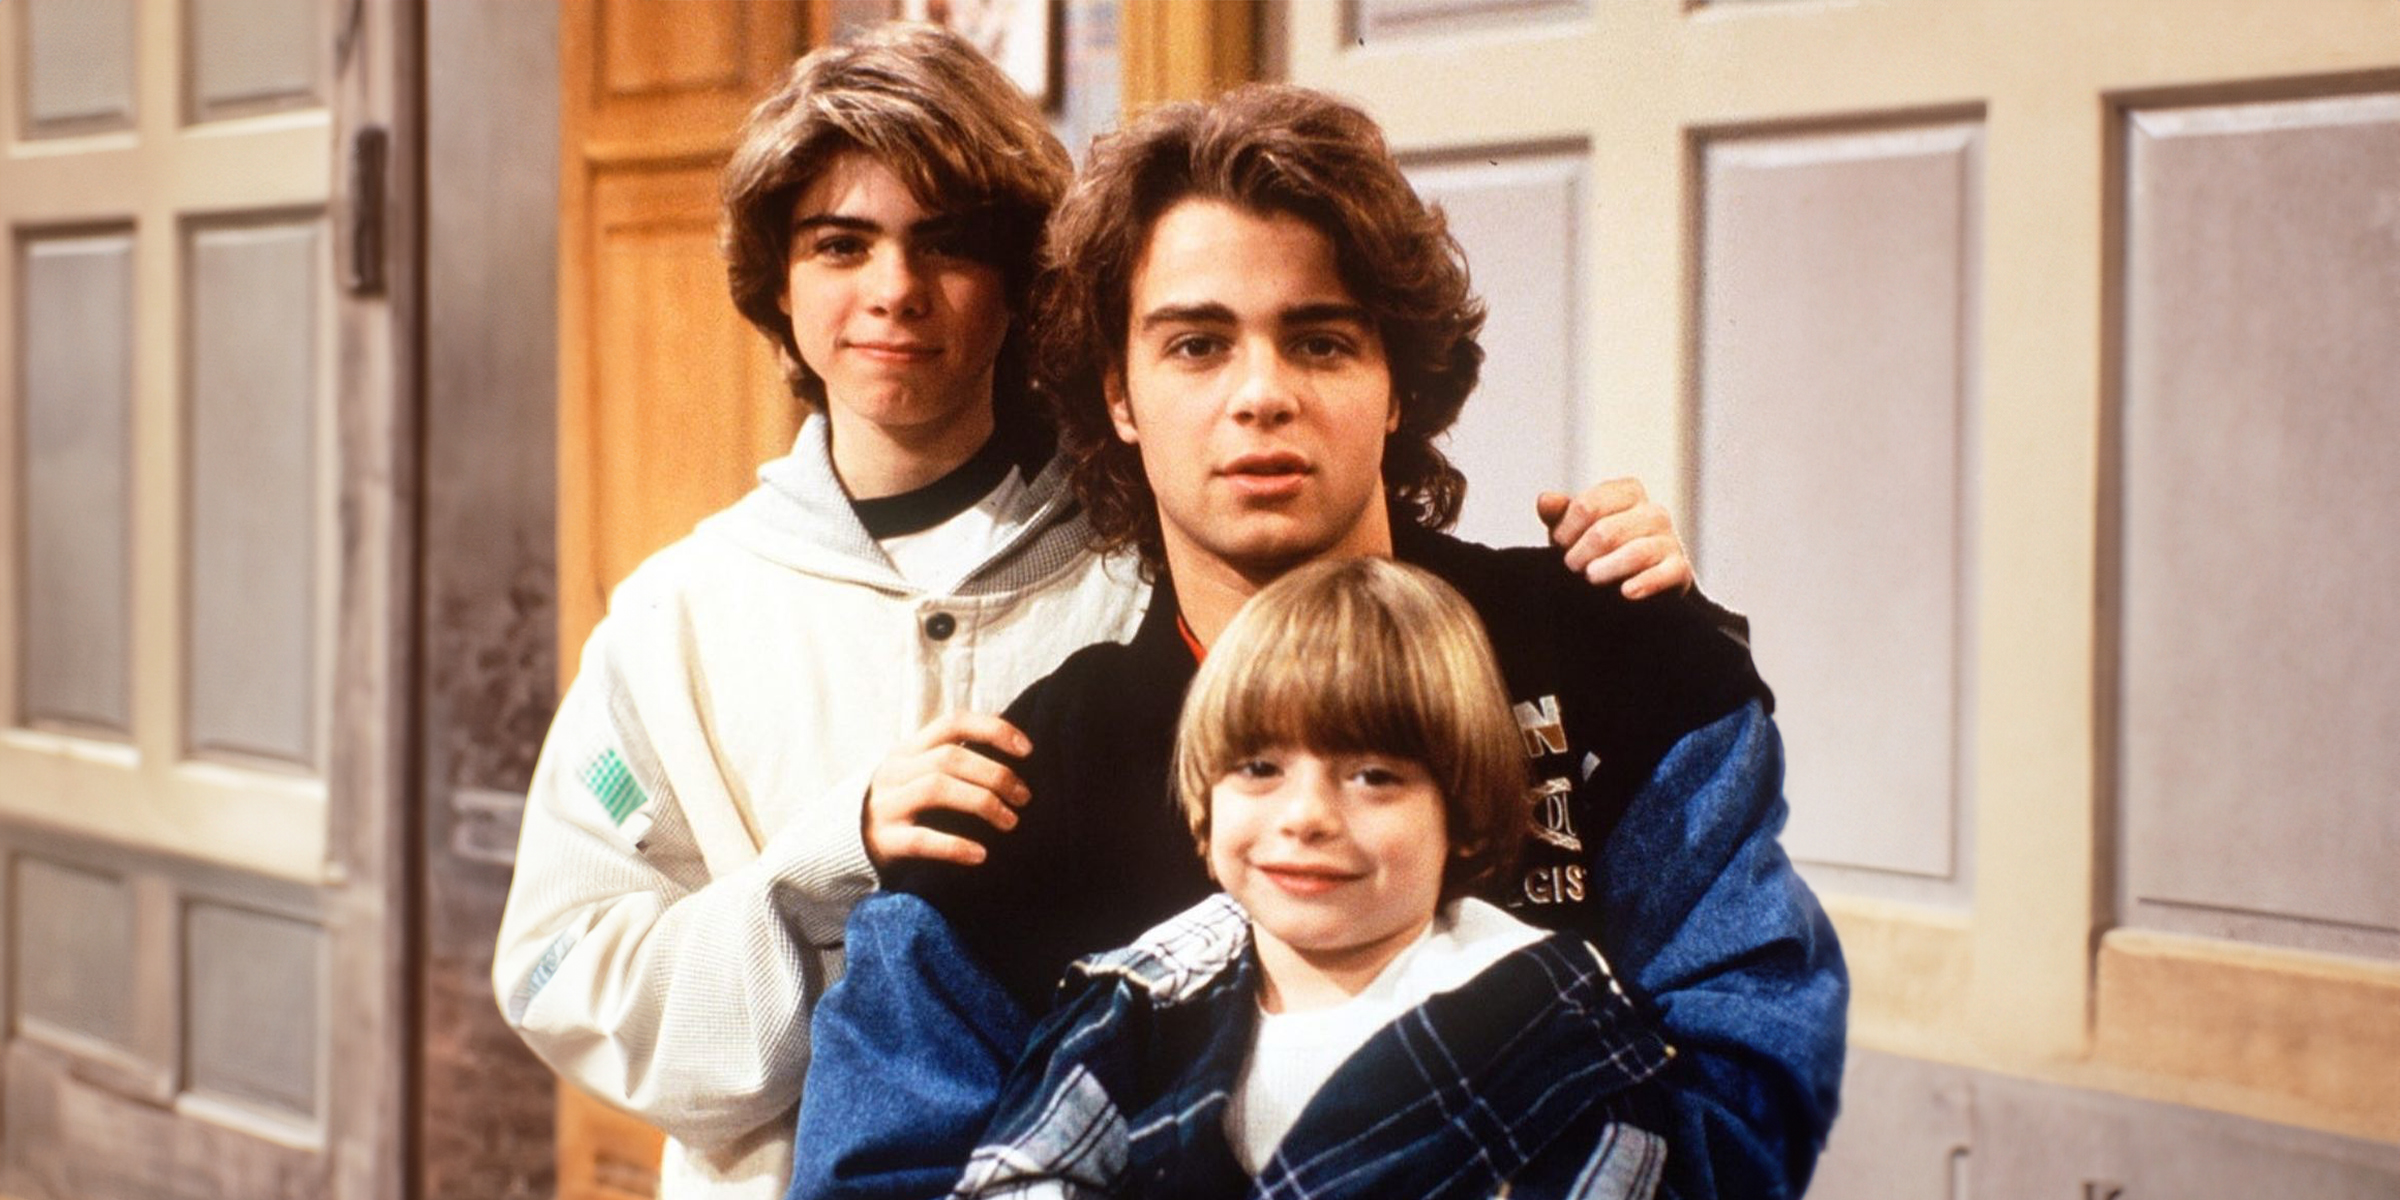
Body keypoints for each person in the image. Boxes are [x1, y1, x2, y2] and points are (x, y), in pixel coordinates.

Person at [493, 26, 1697, 1200]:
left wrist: (1616, 572)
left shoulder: (1161, 548)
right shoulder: (677, 618)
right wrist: (826, 861)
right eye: (840, 245)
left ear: (1028, 284)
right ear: (778, 279)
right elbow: (561, 976)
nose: (895, 292)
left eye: (951, 246)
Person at [790, 84, 1846, 1200]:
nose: (1262, 396)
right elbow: (874, 1175)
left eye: (1321, 341)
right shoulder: (1017, 796)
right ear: (1119, 396)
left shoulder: (1616, 653)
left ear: (1396, 386)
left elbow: (1751, 1066)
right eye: (1196, 345)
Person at [955, 556, 1677, 1199]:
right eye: (1259, 768)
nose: (1305, 817)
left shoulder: (1545, 1018)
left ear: (1459, 814)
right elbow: (1022, 1175)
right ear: (1205, 805)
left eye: (1373, 776)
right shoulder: (1140, 996)